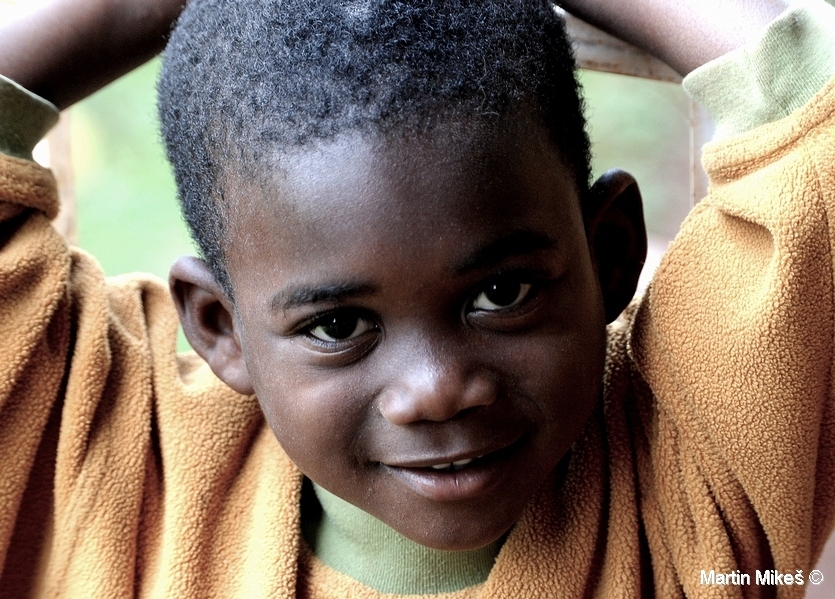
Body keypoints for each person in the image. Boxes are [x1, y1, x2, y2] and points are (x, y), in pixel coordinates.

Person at [1, 0, 834, 596]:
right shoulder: (108, 453)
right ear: (221, 329)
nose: (436, 388)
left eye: (500, 293)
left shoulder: (697, 457)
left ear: (609, 253)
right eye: (337, 325)